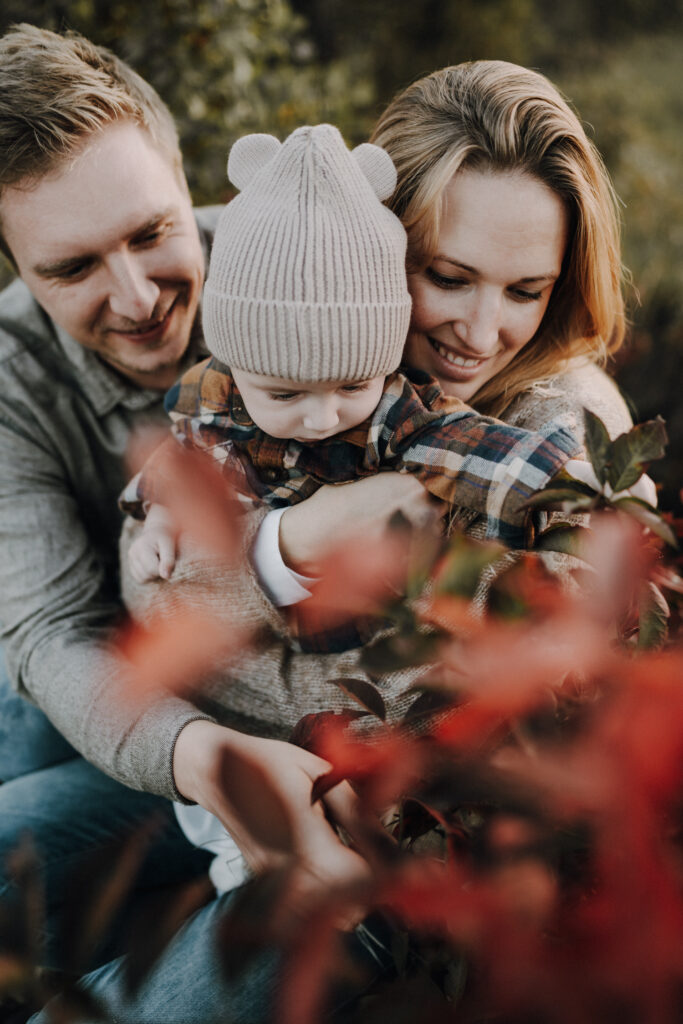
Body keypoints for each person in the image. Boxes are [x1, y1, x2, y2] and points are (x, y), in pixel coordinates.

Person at [0, 24, 637, 1020]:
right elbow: (77, 618)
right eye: (446, 275)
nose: (476, 331)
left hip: (382, 811)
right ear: (386, 247)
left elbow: (580, 589)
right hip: (207, 731)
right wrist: (276, 549)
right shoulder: (292, 282)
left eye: (524, 288)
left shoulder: (537, 429)